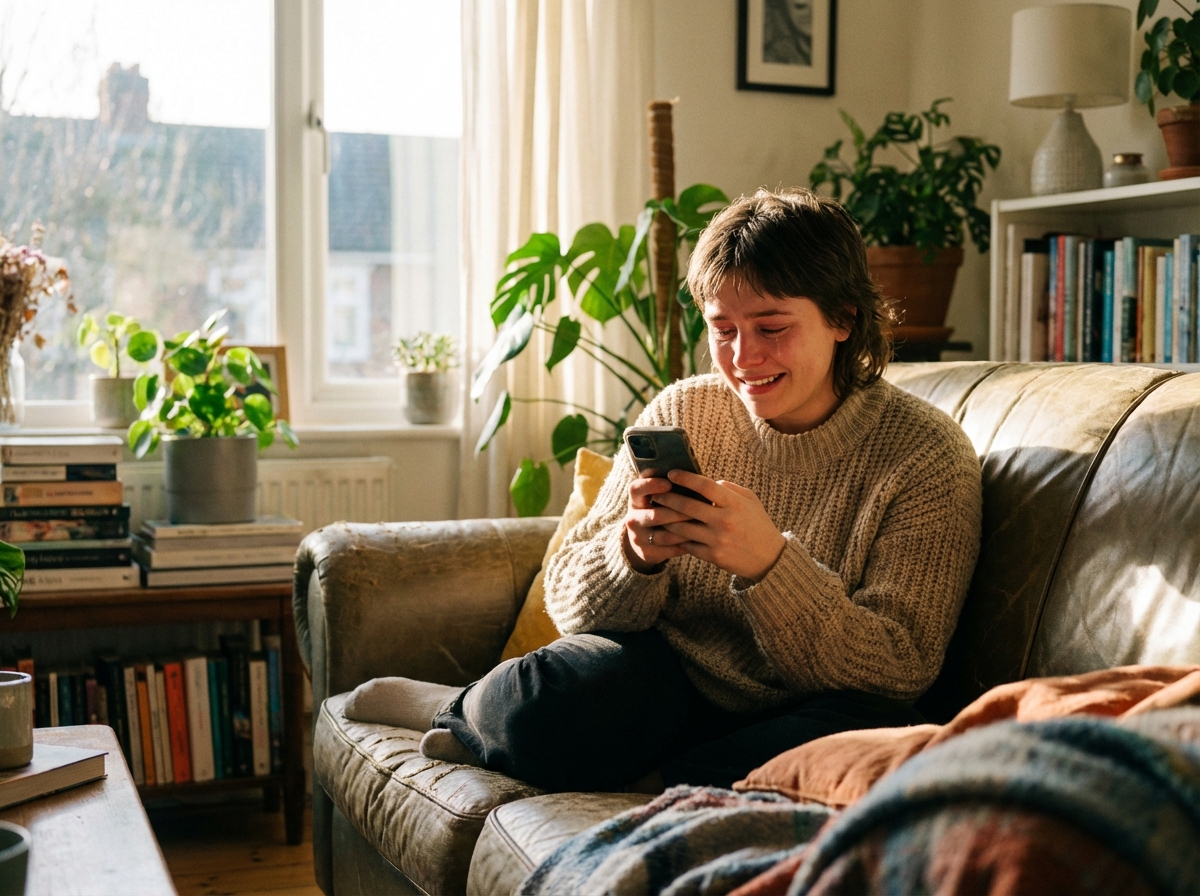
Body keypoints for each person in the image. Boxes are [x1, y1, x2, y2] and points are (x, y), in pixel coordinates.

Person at [344, 189, 983, 793]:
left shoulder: (926, 454)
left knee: (861, 742)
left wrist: (770, 565)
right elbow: (570, 600)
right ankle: (458, 709)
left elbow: (900, 664)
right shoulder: (685, 411)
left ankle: (605, 765)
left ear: (843, 319)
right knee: (554, 694)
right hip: (667, 678)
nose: (743, 358)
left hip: (811, 704)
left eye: (771, 327)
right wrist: (633, 556)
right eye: (723, 329)